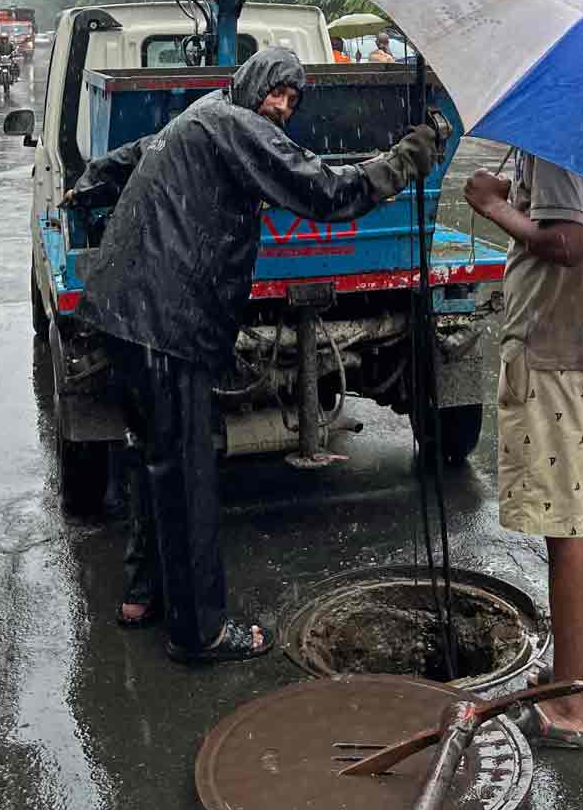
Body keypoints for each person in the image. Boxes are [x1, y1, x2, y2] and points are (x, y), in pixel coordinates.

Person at [66, 47, 437, 665]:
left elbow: (133, 156)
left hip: (122, 314)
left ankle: (143, 594)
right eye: (278, 93)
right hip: (165, 322)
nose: (283, 107)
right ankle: (200, 632)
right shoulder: (239, 127)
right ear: (254, 83)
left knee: (156, 461)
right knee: (186, 474)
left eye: (293, 101)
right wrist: (408, 157)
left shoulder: (206, 112)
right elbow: (327, 193)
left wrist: (90, 183)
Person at [465, 153, 583, 748]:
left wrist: (492, 205)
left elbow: (568, 242)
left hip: (555, 354)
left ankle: (566, 706)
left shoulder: (561, 137)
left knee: (567, 529)